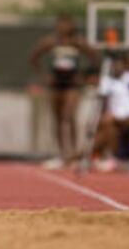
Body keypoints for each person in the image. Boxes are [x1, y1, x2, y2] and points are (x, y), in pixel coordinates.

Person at [31, 14, 100, 167]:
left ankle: (74, 154)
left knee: (68, 117)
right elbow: (34, 57)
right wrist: (44, 76)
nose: (63, 28)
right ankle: (62, 154)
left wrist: (84, 76)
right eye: (61, 24)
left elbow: (94, 57)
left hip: (72, 84)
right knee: (57, 119)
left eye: (67, 24)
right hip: (56, 83)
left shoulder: (78, 42)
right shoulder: (51, 41)